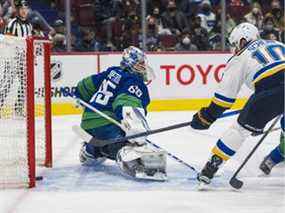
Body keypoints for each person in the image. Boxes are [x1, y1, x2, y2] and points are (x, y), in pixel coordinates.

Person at [189, 22, 284, 187]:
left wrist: (205, 117)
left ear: (242, 41)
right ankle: (275, 157)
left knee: (239, 131)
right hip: (273, 90)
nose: (234, 49)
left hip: (269, 92)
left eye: (234, 44)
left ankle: (210, 168)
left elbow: (223, 99)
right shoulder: (278, 43)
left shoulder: (240, 57)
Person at [74, 46, 167, 181]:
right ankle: (119, 155)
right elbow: (126, 104)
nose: (143, 66)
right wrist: (137, 132)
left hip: (88, 120)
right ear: (130, 63)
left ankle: (90, 150)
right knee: (127, 143)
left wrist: (79, 95)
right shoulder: (133, 80)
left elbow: (85, 85)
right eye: (139, 63)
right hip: (106, 122)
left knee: (113, 137)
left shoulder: (112, 72)